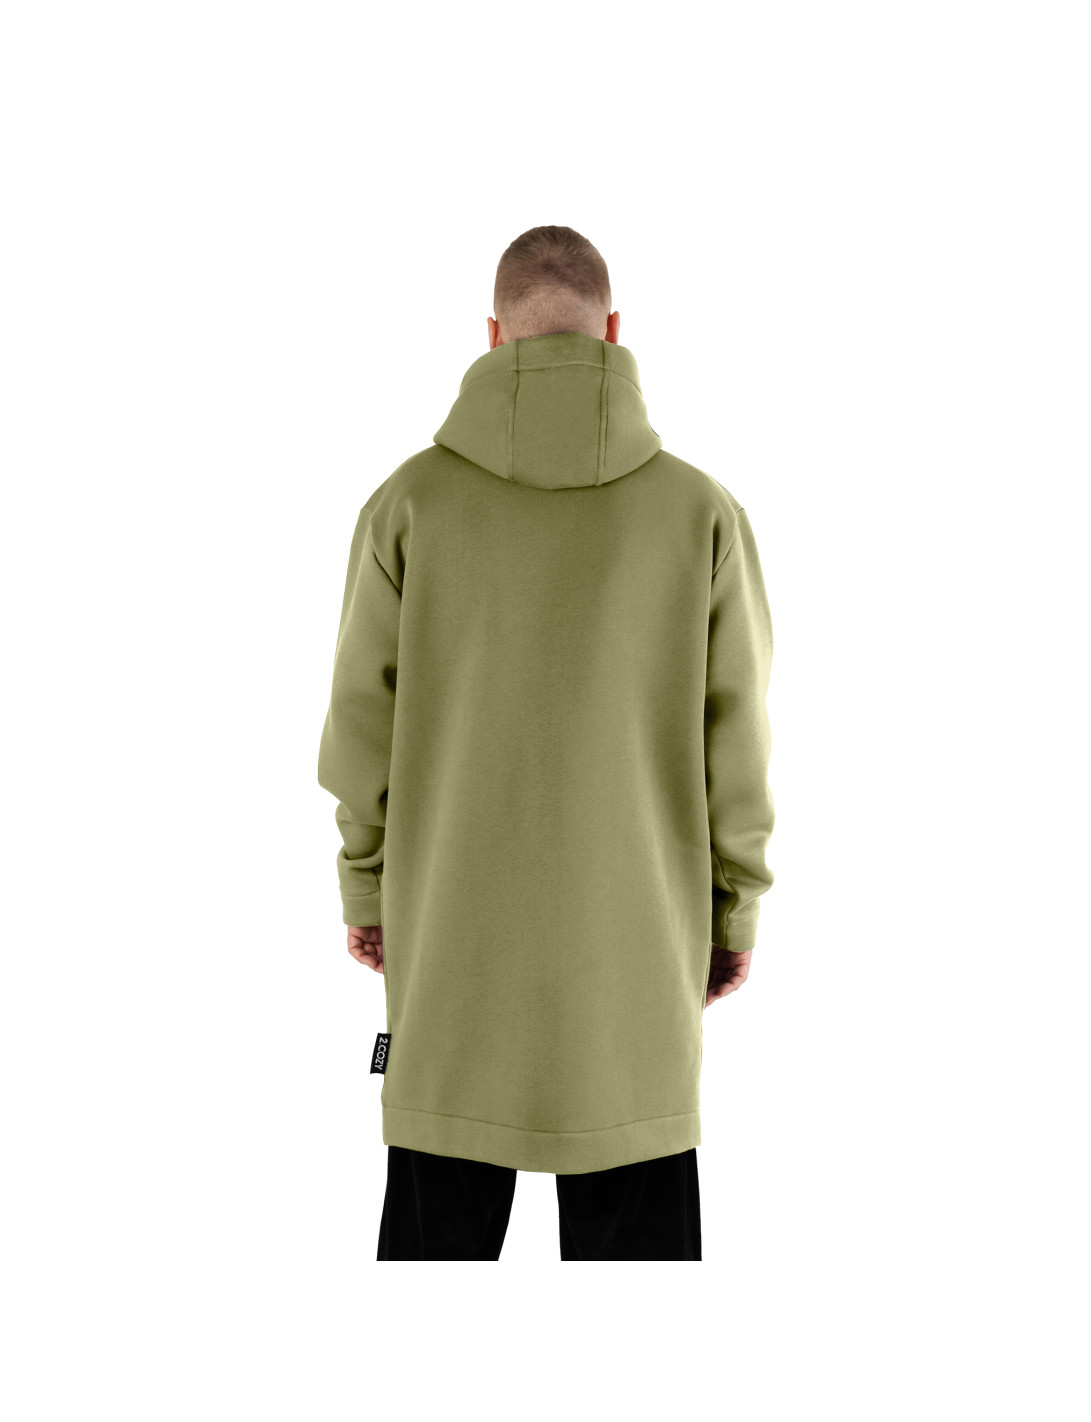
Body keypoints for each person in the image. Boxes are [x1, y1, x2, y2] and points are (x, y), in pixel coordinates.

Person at [318, 225, 776, 1261]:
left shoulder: (408, 505)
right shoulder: (699, 513)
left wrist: (366, 890)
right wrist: (732, 911)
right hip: (636, 976)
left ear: (492, 335)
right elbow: (738, 746)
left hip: (449, 961)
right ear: (613, 331)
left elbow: (358, 734)